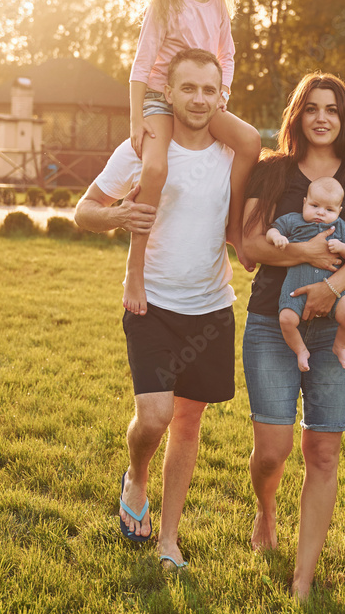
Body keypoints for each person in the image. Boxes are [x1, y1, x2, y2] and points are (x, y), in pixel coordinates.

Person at [75, 49, 259, 568]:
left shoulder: (229, 155)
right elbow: (83, 210)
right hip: (151, 303)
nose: (199, 99)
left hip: (211, 306)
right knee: (153, 417)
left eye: (209, 90)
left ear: (220, 97)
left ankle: (169, 540)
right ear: (170, 94)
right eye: (189, 88)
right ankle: (136, 475)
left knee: (189, 422)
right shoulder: (143, 147)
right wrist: (117, 218)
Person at [242, 72, 345, 601]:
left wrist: (331, 288)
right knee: (273, 451)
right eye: (312, 108)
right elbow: (253, 244)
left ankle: (303, 578)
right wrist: (302, 254)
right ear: (297, 116)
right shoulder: (272, 172)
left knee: (323, 450)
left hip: (333, 330)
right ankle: (265, 509)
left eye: (333, 108)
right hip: (270, 323)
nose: (322, 116)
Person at [125, 0, 260, 315]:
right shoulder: (163, 4)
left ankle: (233, 227)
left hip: (203, 96)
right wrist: (136, 118)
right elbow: (141, 65)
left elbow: (228, 55)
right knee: (154, 170)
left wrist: (224, 94)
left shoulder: (216, 1)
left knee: (250, 141)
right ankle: (135, 265)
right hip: (158, 99)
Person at [265, 176, 345, 372]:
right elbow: (271, 231)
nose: (320, 213)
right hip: (295, 291)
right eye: (315, 205)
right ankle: (301, 350)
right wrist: (278, 237)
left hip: (332, 291)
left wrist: (341, 246)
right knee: (286, 320)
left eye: (329, 209)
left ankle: (339, 346)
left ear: (339, 211)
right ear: (304, 203)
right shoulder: (292, 220)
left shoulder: (339, 226)